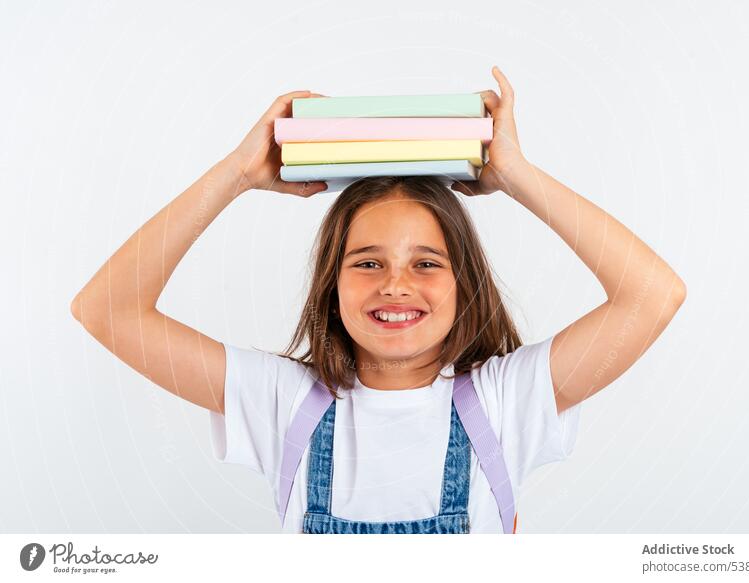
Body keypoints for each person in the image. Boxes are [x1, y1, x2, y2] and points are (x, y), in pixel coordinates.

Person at [71, 66, 686, 533]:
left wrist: (518, 174)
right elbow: (107, 310)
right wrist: (237, 173)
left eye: (426, 263)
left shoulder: (509, 400)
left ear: (463, 283)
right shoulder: (280, 401)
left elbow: (653, 295)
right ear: (330, 284)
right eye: (367, 263)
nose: (395, 284)